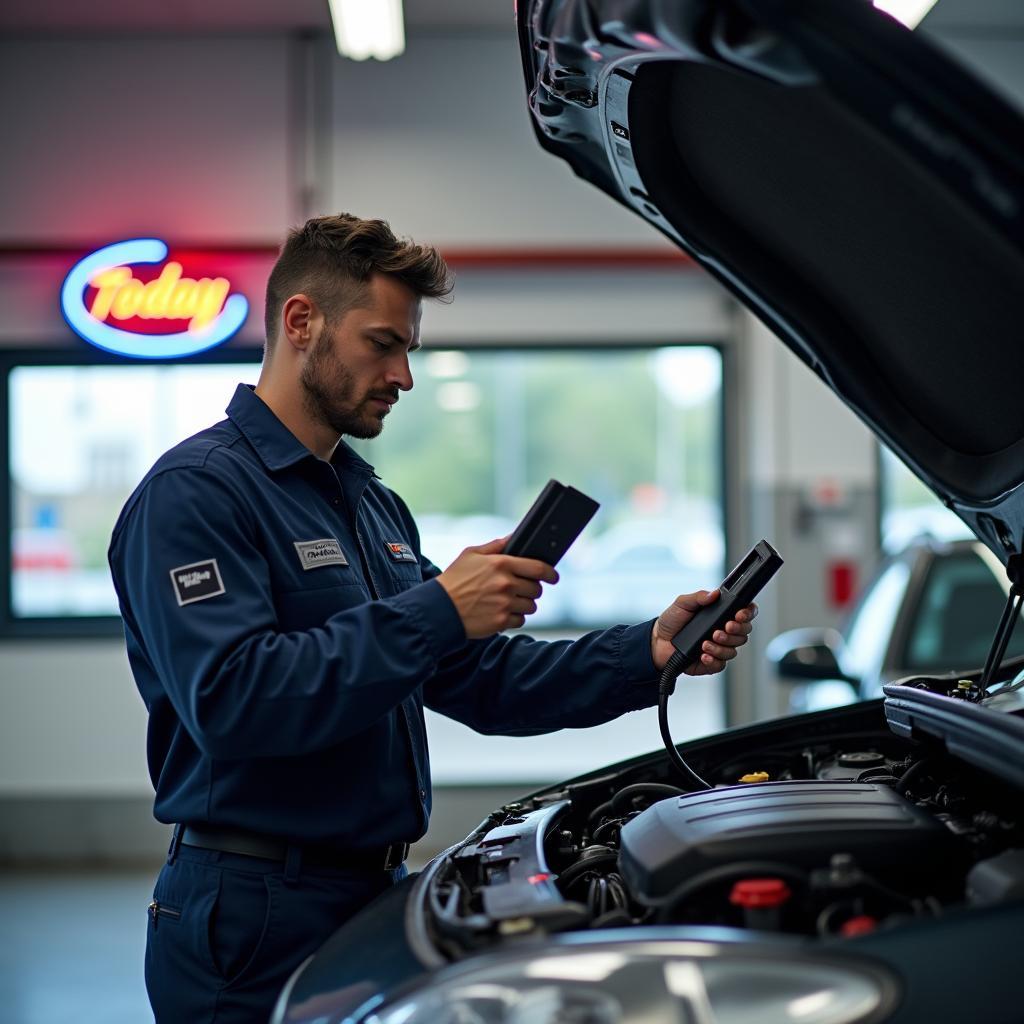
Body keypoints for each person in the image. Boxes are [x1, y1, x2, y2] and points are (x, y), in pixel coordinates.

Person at [107, 213, 757, 1023]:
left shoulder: (371, 504)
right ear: (301, 322)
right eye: (383, 343)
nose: (404, 375)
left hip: (374, 891)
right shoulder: (197, 495)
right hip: (252, 912)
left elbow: (478, 679)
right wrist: (438, 607)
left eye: (408, 347)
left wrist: (648, 650)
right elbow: (235, 701)